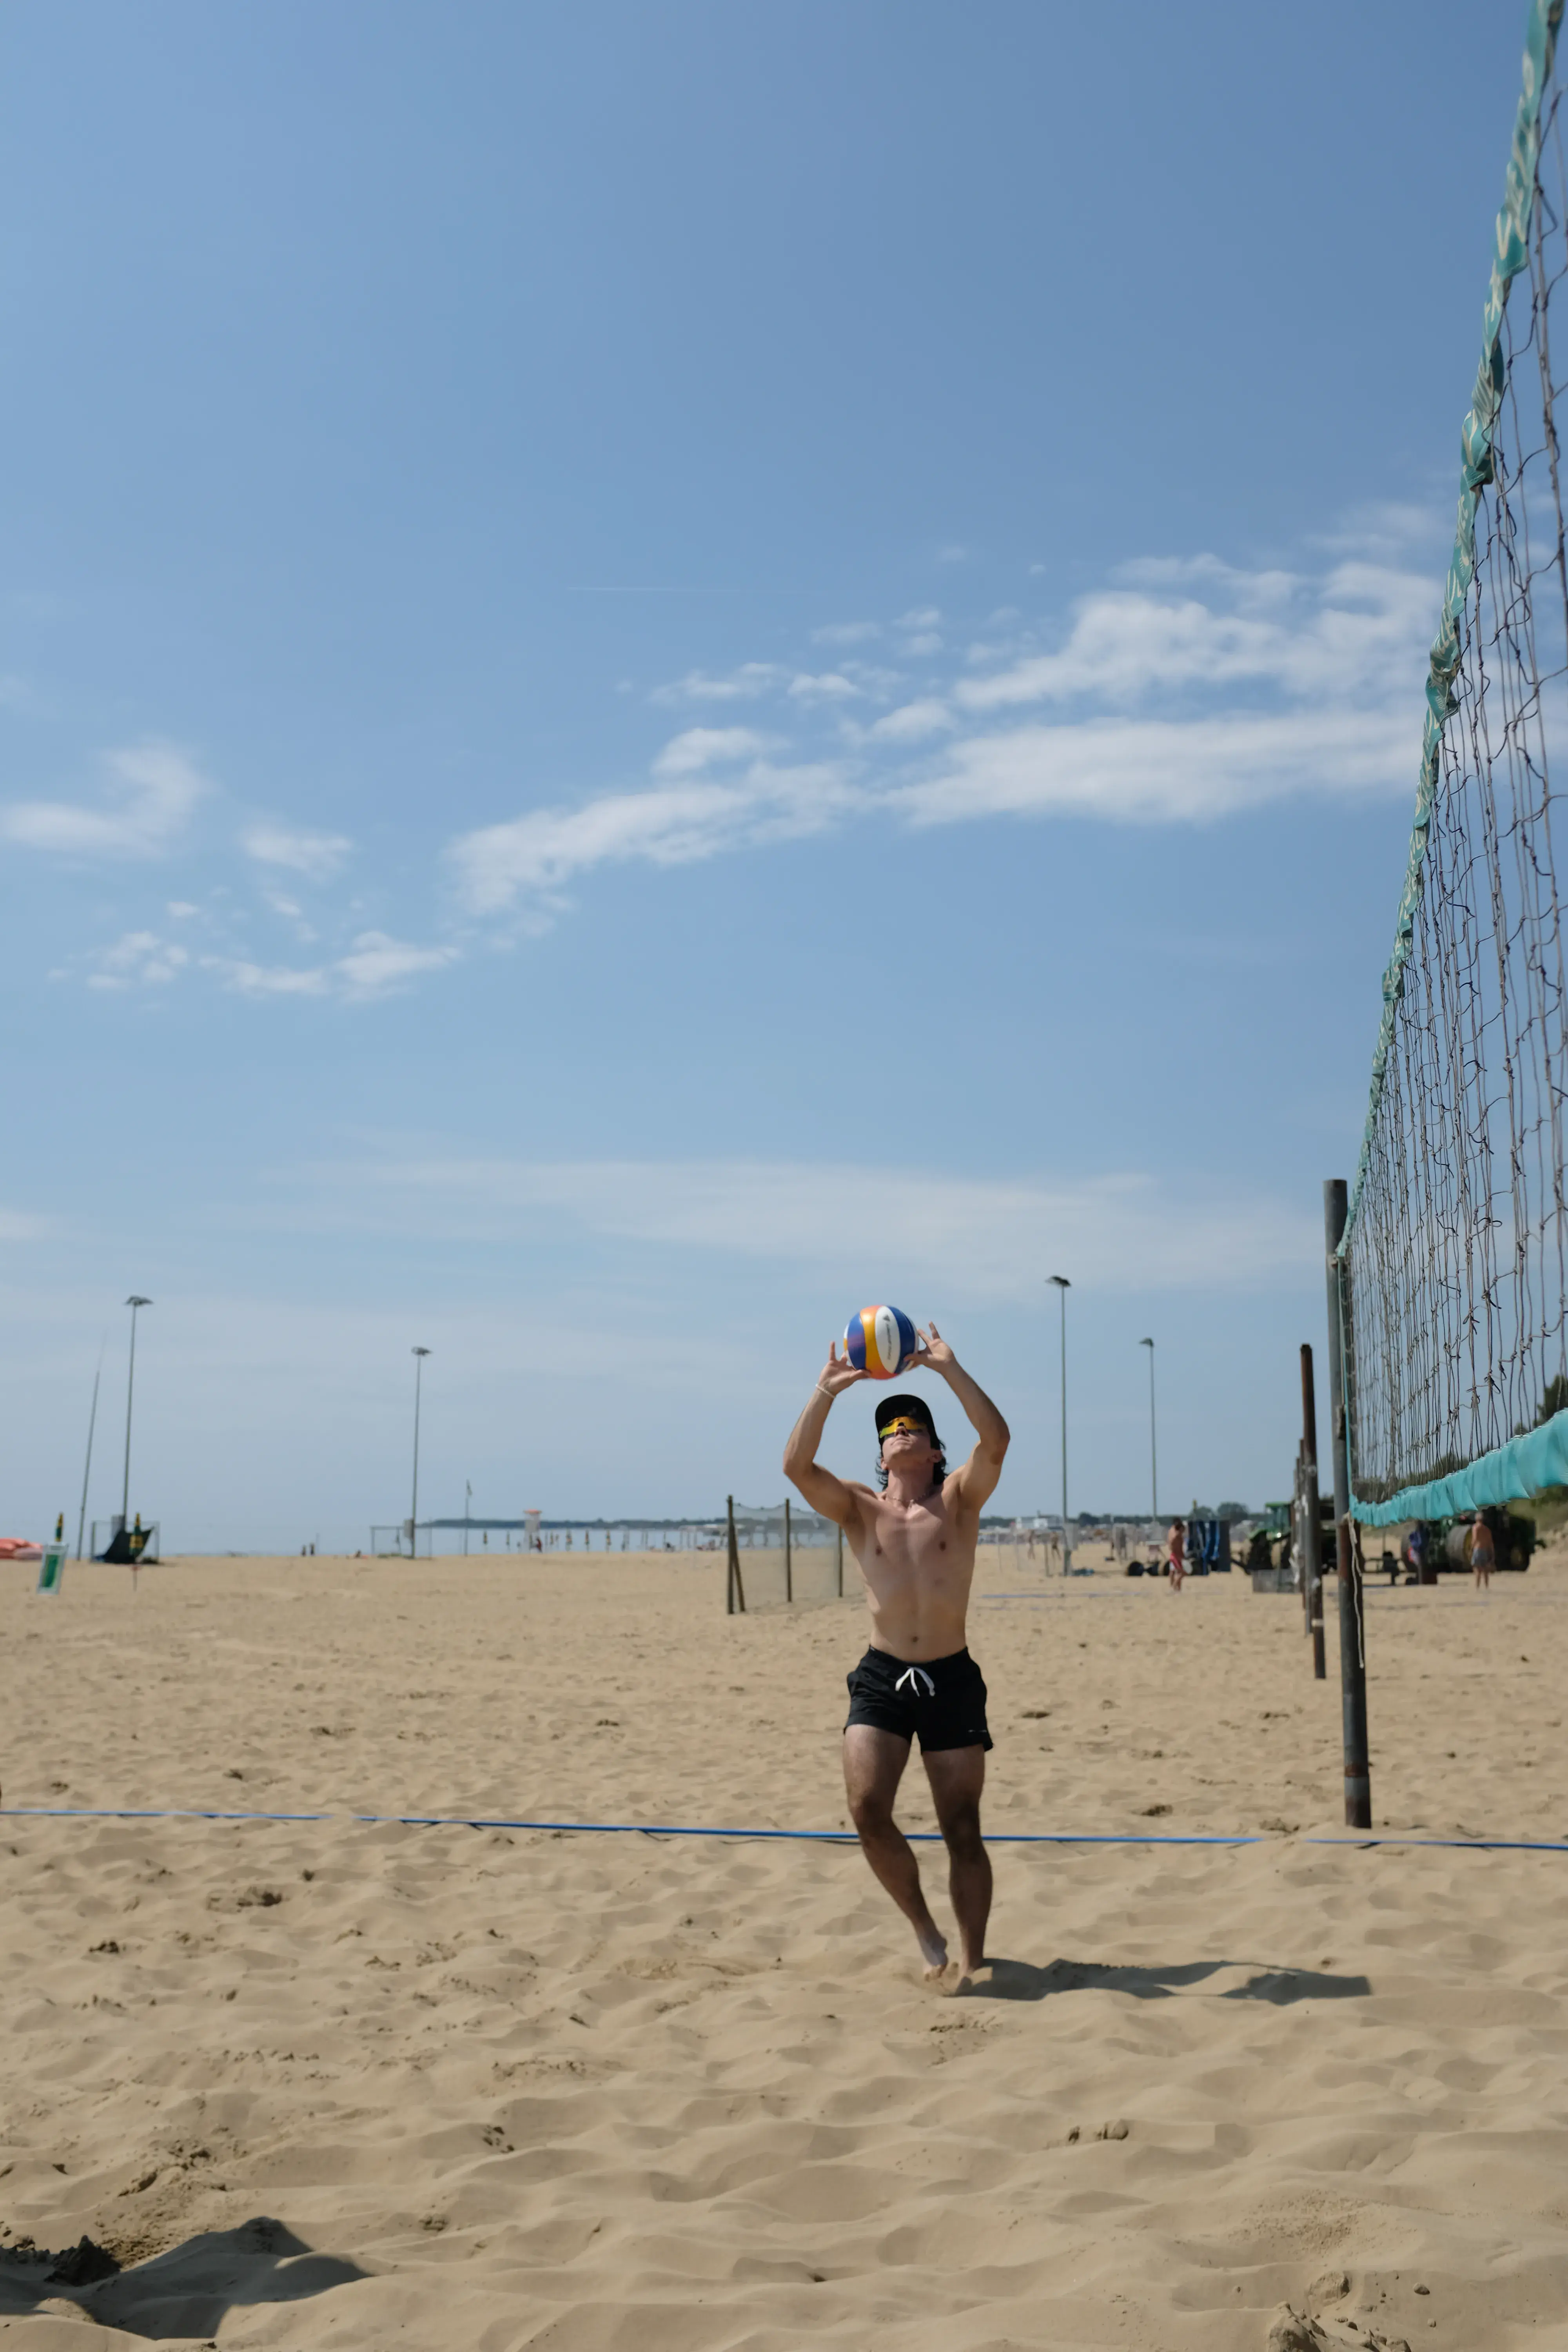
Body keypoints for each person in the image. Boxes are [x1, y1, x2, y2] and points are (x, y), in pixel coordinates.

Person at [783, 1323, 1009, 1987]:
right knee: (867, 1812)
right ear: (882, 1456)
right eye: (890, 1428)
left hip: (951, 1676)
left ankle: (974, 1958)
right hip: (883, 1676)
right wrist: (825, 1391)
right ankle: (924, 1929)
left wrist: (948, 1369)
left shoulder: (960, 1500)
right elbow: (796, 1469)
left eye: (914, 1425)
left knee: (961, 1828)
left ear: (936, 1450)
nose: (901, 1429)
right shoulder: (859, 1507)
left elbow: (996, 1441)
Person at [1471, 1510, 1495, 1592]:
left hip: (1477, 1550)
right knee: (1485, 1570)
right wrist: (1492, 1553)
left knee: (1477, 1570)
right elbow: (1490, 1543)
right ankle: (1486, 1587)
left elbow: (1475, 1539)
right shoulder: (1487, 1530)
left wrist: (1471, 1548)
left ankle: (1477, 1587)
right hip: (1485, 1550)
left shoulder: (1475, 1528)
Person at [1166, 1516, 1186, 1592]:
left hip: (1174, 1555)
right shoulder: (1177, 1535)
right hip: (1176, 1556)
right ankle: (1174, 1586)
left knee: (1173, 1572)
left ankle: (1177, 1588)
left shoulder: (1171, 1530)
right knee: (1181, 1572)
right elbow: (1175, 1545)